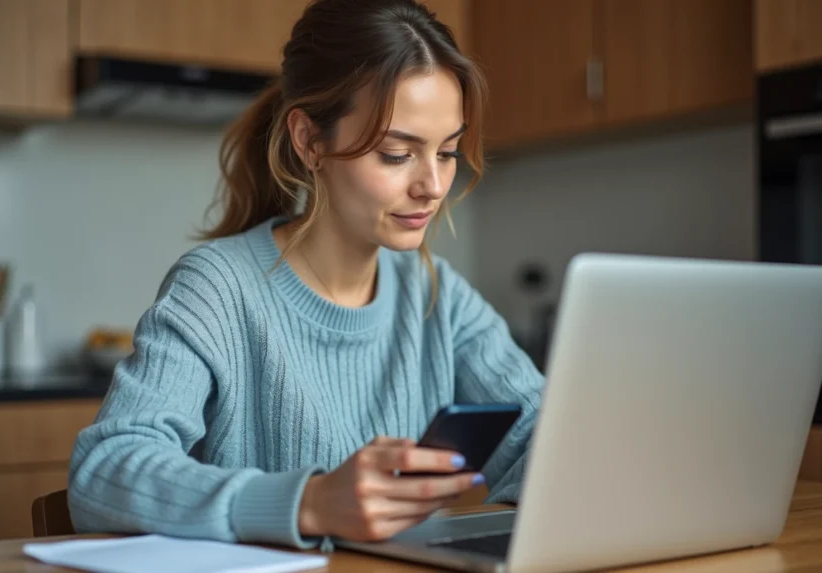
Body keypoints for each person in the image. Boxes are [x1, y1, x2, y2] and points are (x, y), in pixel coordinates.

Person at [67, 0, 545, 551]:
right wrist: (310, 503)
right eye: (396, 154)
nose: (433, 185)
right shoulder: (218, 288)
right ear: (310, 140)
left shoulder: (434, 292)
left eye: (448, 152)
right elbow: (105, 470)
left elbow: (549, 435)